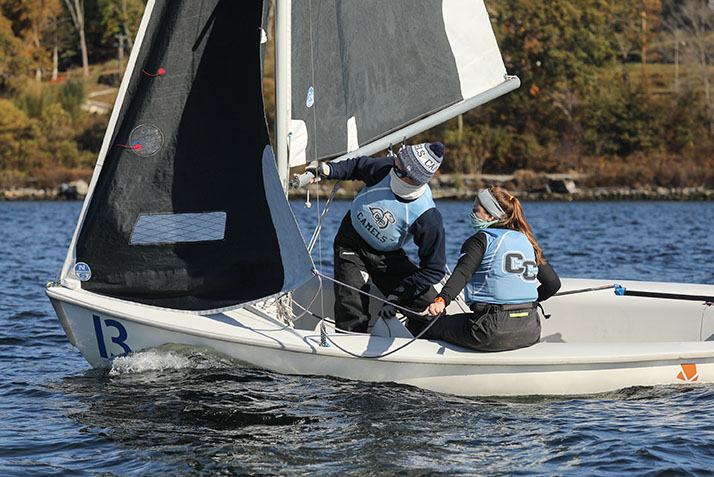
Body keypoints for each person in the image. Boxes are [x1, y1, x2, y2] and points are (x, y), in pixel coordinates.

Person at [306, 142, 447, 333]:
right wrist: (327, 169)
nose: (392, 170)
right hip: (351, 244)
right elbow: (357, 166)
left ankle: (415, 342)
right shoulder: (386, 169)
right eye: (395, 161)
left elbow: (434, 270)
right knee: (352, 306)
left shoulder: (428, 217)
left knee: (428, 306)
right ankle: (350, 349)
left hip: (387, 258)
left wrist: (398, 296)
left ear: (414, 179)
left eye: (398, 170)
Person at [422, 187, 560, 351]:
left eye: (476, 210)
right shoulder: (528, 241)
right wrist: (529, 303)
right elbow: (553, 284)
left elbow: (463, 273)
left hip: (490, 332)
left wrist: (441, 300)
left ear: (491, 216)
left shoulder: (480, 240)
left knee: (426, 324)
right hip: (530, 329)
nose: (472, 214)